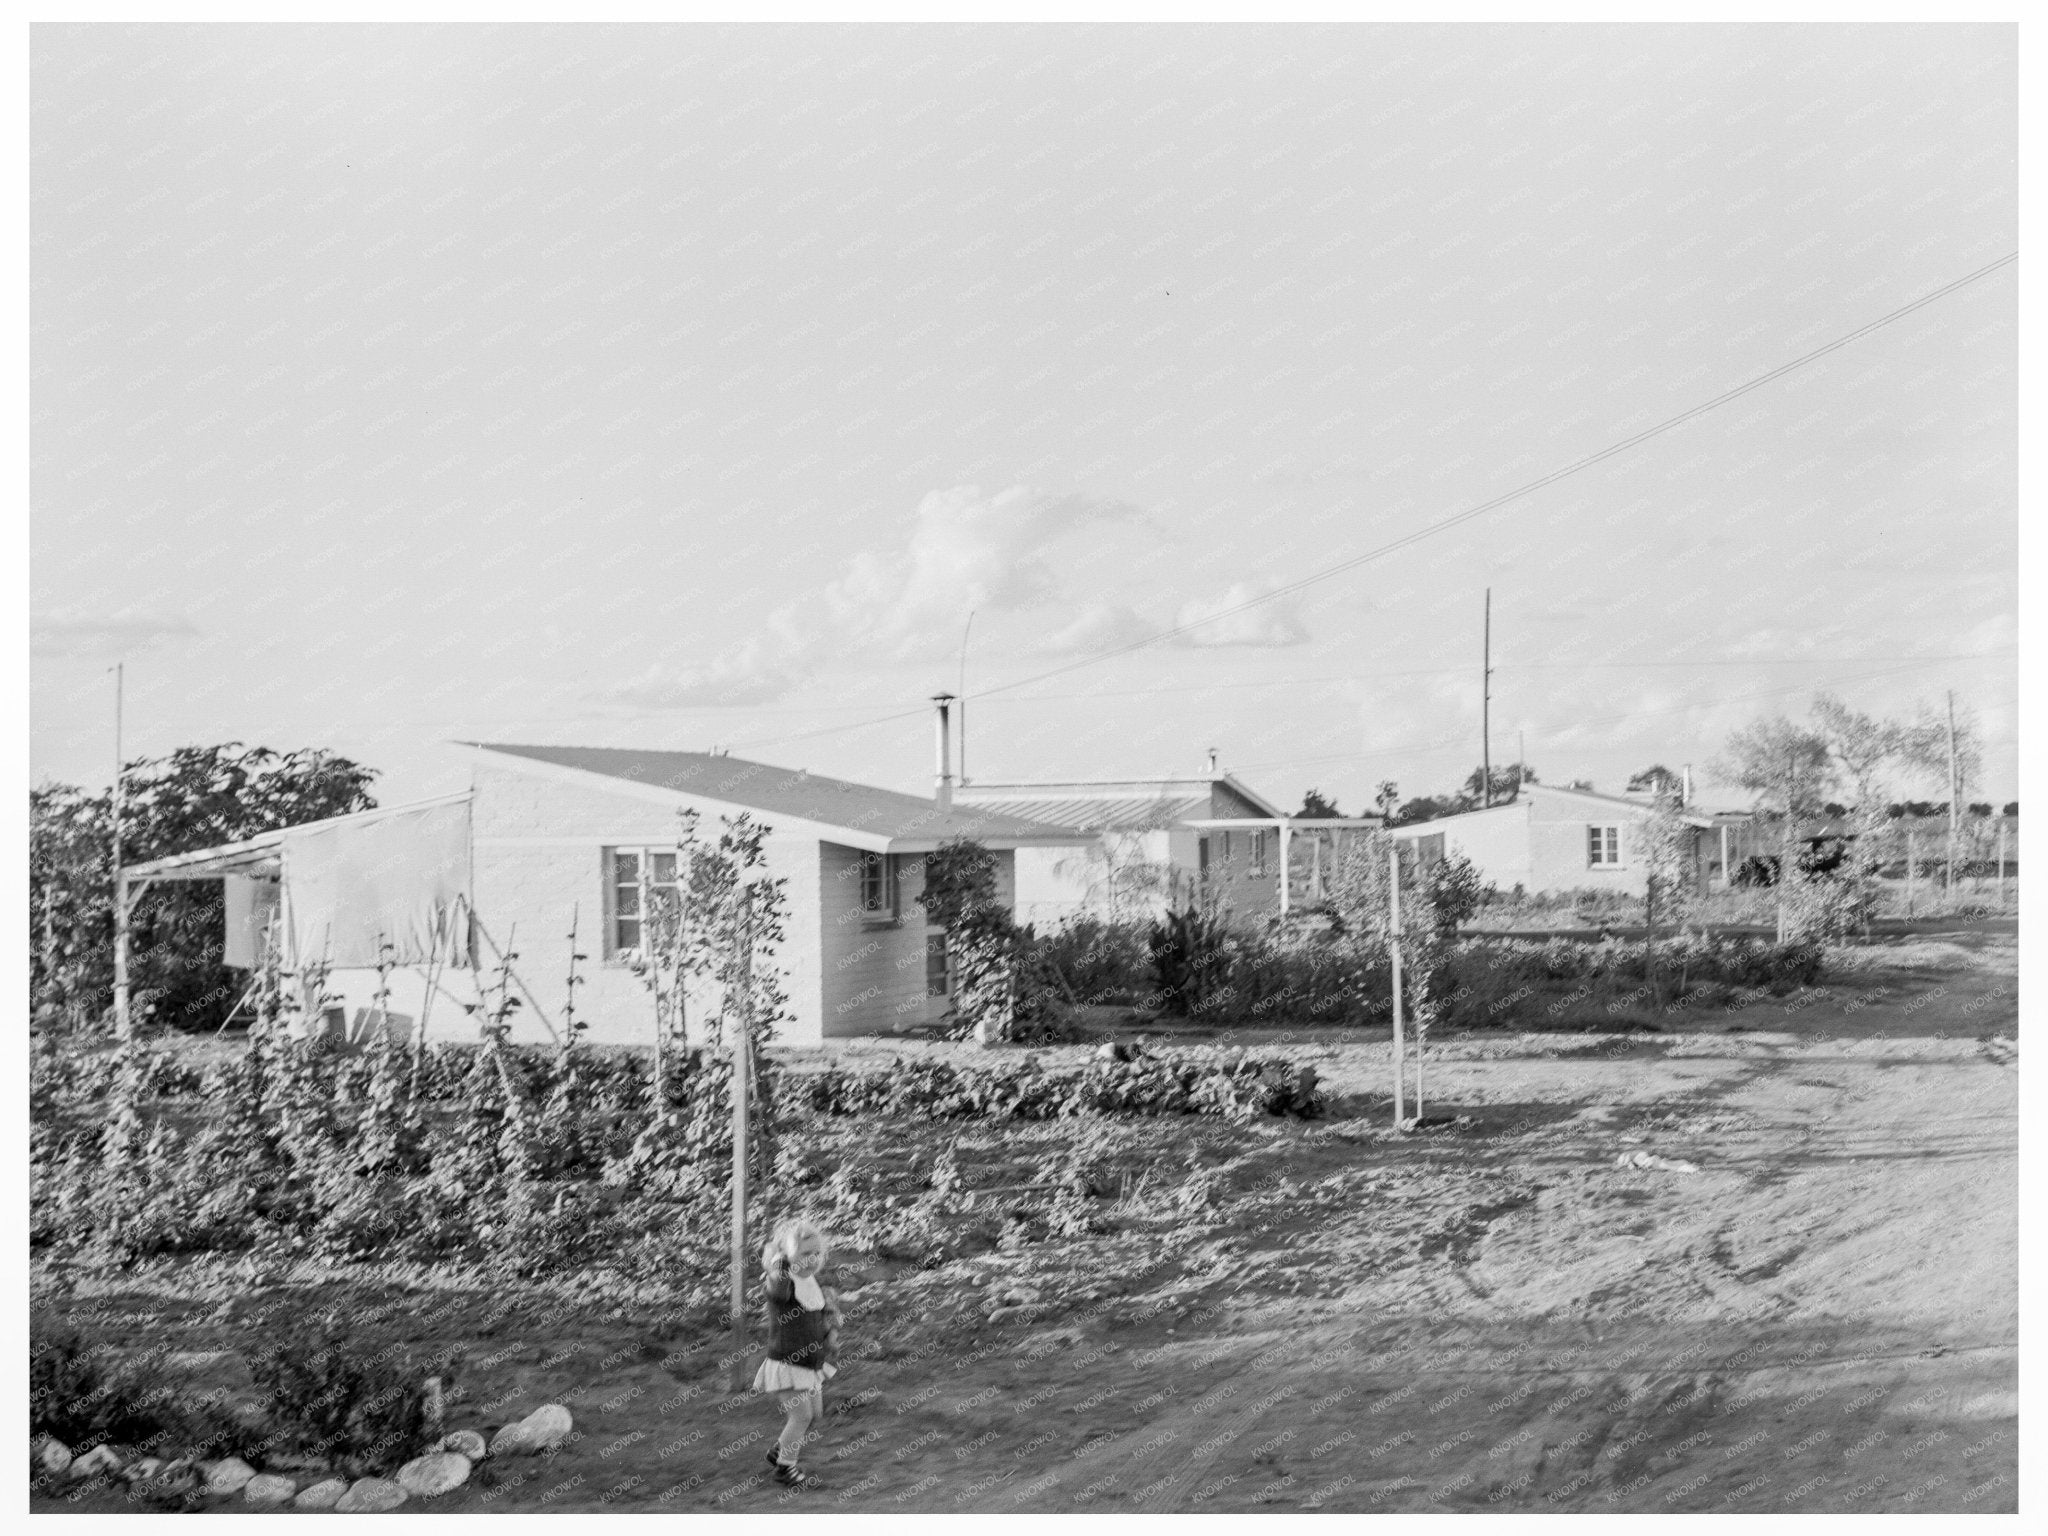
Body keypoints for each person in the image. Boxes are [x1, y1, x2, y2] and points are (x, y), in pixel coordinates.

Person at [754, 1218, 839, 1489]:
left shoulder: (811, 1281)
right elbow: (777, 1290)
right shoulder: (782, 1283)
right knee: (801, 1415)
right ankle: (785, 1469)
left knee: (815, 1414)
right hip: (787, 1362)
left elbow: (819, 1314)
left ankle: (780, 1450)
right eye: (805, 1253)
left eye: (817, 1253)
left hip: (809, 1362)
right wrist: (776, 1262)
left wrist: (829, 1333)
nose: (813, 1259)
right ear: (787, 1257)